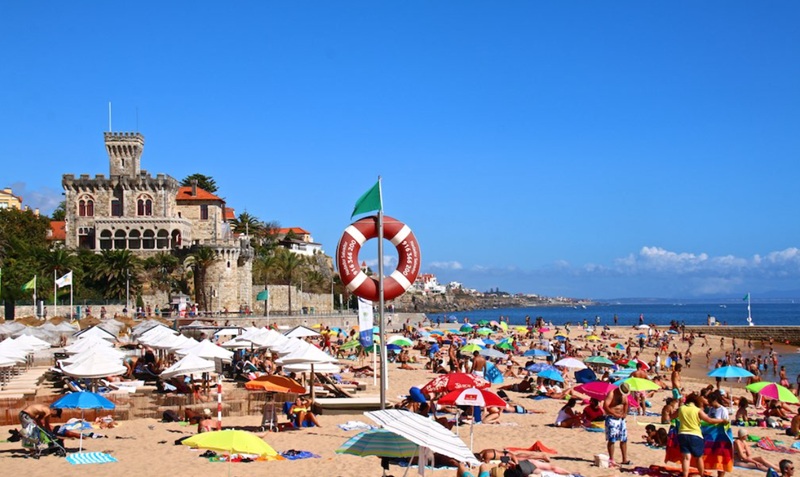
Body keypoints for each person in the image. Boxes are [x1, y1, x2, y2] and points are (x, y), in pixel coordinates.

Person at [673, 393, 728, 477]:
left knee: (686, 458)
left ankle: (685, 475)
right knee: (699, 458)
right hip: (695, 435)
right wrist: (722, 421)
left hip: (682, 434)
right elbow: (709, 420)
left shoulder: (681, 408)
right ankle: (702, 475)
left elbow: (672, 417)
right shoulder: (697, 410)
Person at [603, 381, 631, 466]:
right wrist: (614, 414)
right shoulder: (612, 394)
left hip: (621, 419)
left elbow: (626, 403)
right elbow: (605, 406)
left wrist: (625, 413)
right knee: (612, 439)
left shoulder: (624, 395)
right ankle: (611, 459)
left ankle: (624, 459)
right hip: (612, 418)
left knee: (624, 439)